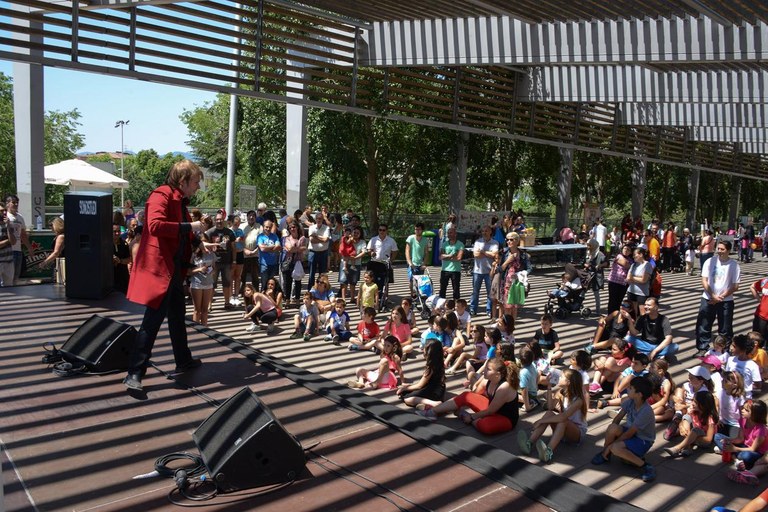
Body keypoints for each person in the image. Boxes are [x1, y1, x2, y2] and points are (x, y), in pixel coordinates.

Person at [123, 160, 208, 391]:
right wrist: (191, 228)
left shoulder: (177, 199)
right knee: (152, 321)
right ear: (183, 181)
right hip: (162, 270)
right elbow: (156, 226)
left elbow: (181, 232)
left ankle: (183, 360)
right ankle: (134, 372)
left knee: (177, 318)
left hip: (173, 270)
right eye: (196, 182)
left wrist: (199, 242)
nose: (198, 187)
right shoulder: (160, 195)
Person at [417, 357, 520, 436]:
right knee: (465, 396)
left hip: (505, 418)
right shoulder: (487, 380)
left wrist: (471, 417)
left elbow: (490, 411)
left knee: (486, 427)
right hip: (491, 408)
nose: (484, 371)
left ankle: (463, 415)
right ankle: (433, 412)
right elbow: (474, 393)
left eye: (488, 369)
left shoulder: (504, 387)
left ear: (497, 374)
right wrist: (472, 385)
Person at [590, 376, 656, 483]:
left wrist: (611, 446)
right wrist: (611, 434)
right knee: (612, 428)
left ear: (639, 394)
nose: (627, 389)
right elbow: (617, 419)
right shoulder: (629, 401)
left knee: (616, 448)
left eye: (630, 388)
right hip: (631, 433)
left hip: (643, 440)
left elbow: (629, 434)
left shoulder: (646, 411)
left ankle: (645, 466)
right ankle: (605, 454)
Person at [518, 369, 588, 463]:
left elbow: (563, 417)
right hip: (562, 429)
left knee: (563, 421)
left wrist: (541, 421)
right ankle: (529, 443)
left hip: (577, 433)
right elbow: (550, 408)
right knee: (549, 414)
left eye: (562, 377)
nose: (559, 378)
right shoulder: (561, 392)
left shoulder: (578, 400)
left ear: (568, 382)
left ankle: (548, 452)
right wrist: (549, 386)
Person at [695, 240, 740, 356]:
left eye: (722, 249)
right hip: (708, 298)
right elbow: (704, 280)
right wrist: (712, 295)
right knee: (704, 323)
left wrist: (721, 296)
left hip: (726, 301)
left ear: (728, 250)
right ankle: (702, 347)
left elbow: (735, 286)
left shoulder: (734, 265)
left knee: (725, 327)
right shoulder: (710, 261)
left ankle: (723, 350)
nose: (719, 251)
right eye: (718, 248)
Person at [663, 389, 718, 458]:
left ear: (703, 405)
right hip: (693, 435)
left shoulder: (710, 417)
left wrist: (692, 437)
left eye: (695, 402)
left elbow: (708, 439)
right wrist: (681, 426)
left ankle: (677, 448)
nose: (692, 403)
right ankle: (687, 447)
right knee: (686, 417)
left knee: (696, 430)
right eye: (692, 400)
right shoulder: (694, 411)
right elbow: (684, 420)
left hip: (704, 441)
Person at [397, 339, 446, 408]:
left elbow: (419, 386)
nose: (423, 349)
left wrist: (404, 389)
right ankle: (425, 406)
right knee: (409, 392)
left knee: (407, 398)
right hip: (440, 390)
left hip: (432, 392)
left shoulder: (430, 368)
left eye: (424, 348)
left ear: (429, 352)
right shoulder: (440, 363)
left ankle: (433, 403)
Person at [206, 210, 236, 310]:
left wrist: (234, 261)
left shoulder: (229, 232)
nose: (219, 221)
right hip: (213, 263)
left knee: (227, 283)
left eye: (221, 219)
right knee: (212, 284)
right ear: (215, 220)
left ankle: (227, 302)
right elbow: (205, 247)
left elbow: (233, 247)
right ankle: (209, 304)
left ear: (224, 220)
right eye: (217, 219)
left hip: (227, 262)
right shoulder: (210, 232)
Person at [5, 194, 35, 285]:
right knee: (8, 277)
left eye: (17, 203)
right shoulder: (5, 216)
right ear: (7, 204)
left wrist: (29, 248)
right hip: (8, 250)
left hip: (18, 250)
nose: (16, 204)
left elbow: (23, 234)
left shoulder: (20, 217)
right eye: (13, 202)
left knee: (16, 275)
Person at [470, 225, 499, 317]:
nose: (484, 233)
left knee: (489, 292)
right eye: (483, 231)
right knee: (475, 291)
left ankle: (489, 310)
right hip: (477, 271)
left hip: (489, 271)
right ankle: (473, 309)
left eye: (486, 231)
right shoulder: (478, 242)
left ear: (490, 232)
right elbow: (475, 255)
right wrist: (488, 254)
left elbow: (495, 255)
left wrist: (482, 252)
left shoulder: (495, 242)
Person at [367, 224, 398, 307]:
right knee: (373, 280)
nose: (382, 231)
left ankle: (385, 298)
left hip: (385, 263)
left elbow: (395, 251)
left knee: (386, 281)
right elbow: (369, 249)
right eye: (380, 230)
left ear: (386, 231)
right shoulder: (373, 240)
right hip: (375, 262)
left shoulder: (391, 240)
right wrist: (371, 252)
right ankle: (373, 297)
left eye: (384, 230)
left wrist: (391, 260)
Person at [280, 219, 306, 307]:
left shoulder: (302, 238)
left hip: (298, 262)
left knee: (298, 281)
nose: (292, 229)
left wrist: (293, 248)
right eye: (290, 228)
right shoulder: (286, 238)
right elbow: (290, 248)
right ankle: (287, 300)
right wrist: (298, 248)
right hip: (288, 262)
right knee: (287, 282)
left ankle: (297, 299)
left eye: (294, 227)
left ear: (297, 227)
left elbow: (303, 248)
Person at [189, 239, 215, 326]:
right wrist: (199, 269)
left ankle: (205, 328)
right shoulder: (194, 255)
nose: (206, 248)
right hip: (197, 283)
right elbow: (188, 272)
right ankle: (196, 329)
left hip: (208, 283)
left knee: (205, 310)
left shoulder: (211, 254)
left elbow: (214, 267)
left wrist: (211, 270)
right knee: (197, 310)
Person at [438, 226, 464, 300]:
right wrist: (451, 255)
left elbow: (459, 258)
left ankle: (456, 304)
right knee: (442, 289)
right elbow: (440, 257)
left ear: (455, 234)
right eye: (448, 233)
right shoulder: (444, 244)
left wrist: (445, 257)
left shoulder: (460, 244)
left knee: (456, 289)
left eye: (451, 233)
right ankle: (441, 304)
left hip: (455, 270)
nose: (449, 235)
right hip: (445, 269)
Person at [626, 247, 652, 319]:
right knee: (633, 312)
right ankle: (634, 327)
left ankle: (643, 328)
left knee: (642, 312)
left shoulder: (647, 265)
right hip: (631, 291)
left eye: (635, 254)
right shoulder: (633, 265)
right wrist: (637, 279)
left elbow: (644, 280)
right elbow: (628, 278)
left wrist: (633, 278)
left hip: (642, 293)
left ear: (641, 255)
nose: (633, 256)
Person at [606, 244, 632, 315]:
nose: (626, 250)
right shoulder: (619, 256)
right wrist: (632, 267)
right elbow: (626, 264)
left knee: (619, 301)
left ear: (630, 252)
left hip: (623, 283)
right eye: (625, 248)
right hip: (614, 282)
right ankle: (610, 317)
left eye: (628, 249)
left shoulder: (630, 259)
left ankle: (616, 316)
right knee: (612, 301)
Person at [307, 212, 330, 289]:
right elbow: (312, 240)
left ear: (323, 219)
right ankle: (311, 289)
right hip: (313, 253)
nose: (319, 220)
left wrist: (316, 236)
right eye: (317, 218)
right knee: (311, 273)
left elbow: (326, 239)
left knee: (322, 273)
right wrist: (322, 239)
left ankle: (321, 289)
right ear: (315, 219)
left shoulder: (327, 228)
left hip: (323, 253)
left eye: (320, 218)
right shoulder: (311, 227)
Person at [257, 219, 281, 291]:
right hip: (264, 264)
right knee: (264, 283)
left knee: (271, 284)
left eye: (269, 227)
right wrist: (273, 247)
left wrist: (267, 247)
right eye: (266, 227)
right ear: (263, 227)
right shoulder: (260, 237)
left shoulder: (274, 236)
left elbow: (278, 247)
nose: (268, 229)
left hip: (273, 263)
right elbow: (262, 249)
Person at [405, 222, 429, 298]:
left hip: (420, 263)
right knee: (411, 279)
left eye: (419, 229)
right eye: (416, 229)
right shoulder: (410, 238)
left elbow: (426, 252)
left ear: (422, 230)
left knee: (420, 280)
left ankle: (419, 294)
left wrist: (424, 263)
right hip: (412, 262)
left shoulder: (425, 240)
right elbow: (407, 251)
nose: (417, 231)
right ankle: (412, 294)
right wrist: (410, 263)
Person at [241, 210, 262, 294]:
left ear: (255, 217)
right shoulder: (242, 226)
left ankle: (256, 292)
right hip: (243, 254)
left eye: (253, 216)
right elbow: (239, 241)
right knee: (242, 275)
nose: (251, 217)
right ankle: (242, 292)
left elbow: (261, 240)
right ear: (247, 217)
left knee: (255, 276)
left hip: (255, 255)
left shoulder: (259, 227)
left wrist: (254, 251)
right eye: (249, 216)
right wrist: (244, 250)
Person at [0, 203, 17, 286]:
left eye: (4, 210)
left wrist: (8, 227)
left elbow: (13, 241)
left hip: (9, 261)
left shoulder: (9, 224)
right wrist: (7, 241)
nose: (3, 213)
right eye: (1, 211)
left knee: (9, 286)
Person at [112, 223, 131, 294]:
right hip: (110, 277)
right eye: (114, 231)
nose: (117, 233)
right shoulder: (105, 243)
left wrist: (120, 261)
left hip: (122, 277)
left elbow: (129, 259)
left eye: (118, 231)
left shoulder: (124, 244)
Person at [750, 276, 768, 347]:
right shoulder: (765, 281)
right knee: (756, 342)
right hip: (761, 316)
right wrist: (759, 299)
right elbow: (752, 287)